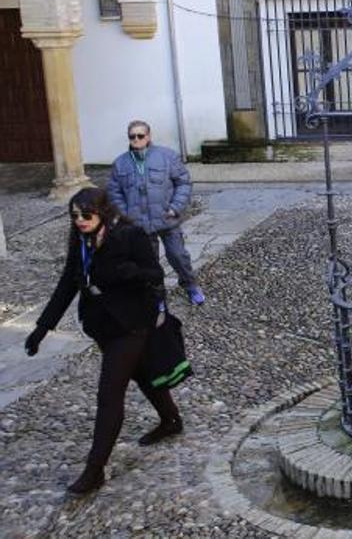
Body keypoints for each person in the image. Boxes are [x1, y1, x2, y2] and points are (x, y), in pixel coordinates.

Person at [24, 188, 183, 495]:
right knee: (141, 373)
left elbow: (155, 274)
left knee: (109, 393)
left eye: (86, 215)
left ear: (104, 212)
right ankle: (171, 420)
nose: (80, 221)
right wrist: (42, 327)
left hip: (133, 323)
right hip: (102, 325)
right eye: (74, 216)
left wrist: (130, 272)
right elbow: (68, 283)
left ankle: (94, 469)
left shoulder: (130, 235)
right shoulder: (81, 239)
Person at [106, 120, 204, 306]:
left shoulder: (167, 156)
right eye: (132, 136)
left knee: (178, 256)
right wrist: (125, 214)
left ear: (148, 136)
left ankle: (190, 284)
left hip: (167, 218)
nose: (136, 139)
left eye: (140, 135)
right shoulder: (120, 163)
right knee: (148, 264)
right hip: (139, 223)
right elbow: (114, 192)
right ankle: (157, 295)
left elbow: (183, 183)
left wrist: (175, 207)